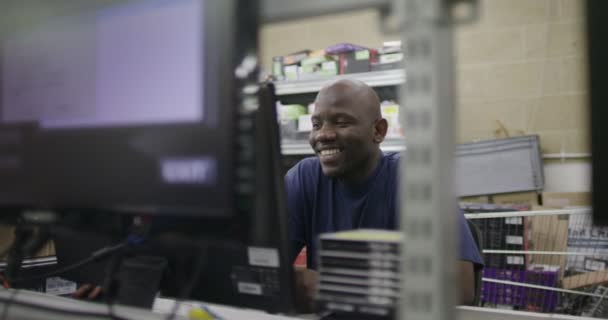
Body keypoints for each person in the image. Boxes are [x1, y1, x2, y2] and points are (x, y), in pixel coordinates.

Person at [285, 79, 484, 310]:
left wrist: (329, 288)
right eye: (316, 124)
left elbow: (459, 288)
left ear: (378, 131)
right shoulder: (305, 178)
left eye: (341, 123)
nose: (323, 135)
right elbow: (264, 264)